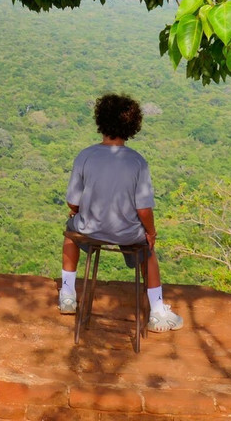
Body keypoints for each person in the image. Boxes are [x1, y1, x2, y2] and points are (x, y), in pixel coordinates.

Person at [59, 92, 183, 333]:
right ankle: (157, 312)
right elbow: (143, 209)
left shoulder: (85, 156)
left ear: (100, 121)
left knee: (69, 232)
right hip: (127, 234)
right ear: (132, 126)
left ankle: (67, 295)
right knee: (148, 251)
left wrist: (78, 212)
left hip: (90, 229)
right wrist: (151, 232)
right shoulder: (137, 162)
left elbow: (72, 204)